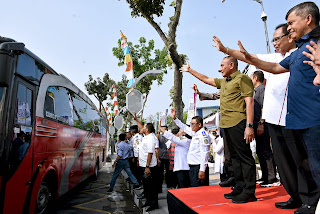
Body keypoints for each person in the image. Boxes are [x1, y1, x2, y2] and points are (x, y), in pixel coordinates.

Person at [213, 20, 319, 212]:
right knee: (283, 163)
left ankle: (309, 200)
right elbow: (250, 57)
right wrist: (225, 49)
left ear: (289, 37)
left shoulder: (307, 52)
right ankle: (294, 196)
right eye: (273, 40)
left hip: (295, 119)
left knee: (301, 162)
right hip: (272, 120)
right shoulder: (276, 58)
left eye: (278, 38)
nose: (275, 43)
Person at [180, 56, 256, 204]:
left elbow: (250, 102)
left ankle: (249, 191)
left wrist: (249, 125)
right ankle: (240, 187)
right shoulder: (224, 82)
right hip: (226, 125)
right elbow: (207, 79)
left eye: (222, 65)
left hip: (238, 122)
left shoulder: (242, 78)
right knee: (233, 158)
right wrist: (190, 70)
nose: (220, 69)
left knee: (244, 157)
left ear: (232, 65)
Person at [192, 84, 235, 187]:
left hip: (236, 120)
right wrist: (200, 93)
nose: (221, 69)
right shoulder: (225, 87)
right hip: (228, 121)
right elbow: (215, 95)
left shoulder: (238, 84)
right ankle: (232, 177)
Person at [171, 108, 211, 187]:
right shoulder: (195, 133)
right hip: (193, 167)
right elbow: (184, 127)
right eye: (191, 124)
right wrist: (175, 118)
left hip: (199, 167)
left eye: (193, 124)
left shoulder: (203, 135)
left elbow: (205, 153)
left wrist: (202, 170)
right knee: (194, 189)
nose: (191, 126)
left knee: (200, 190)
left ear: (199, 125)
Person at [250, 70, 277, 186]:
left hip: (262, 125)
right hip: (257, 125)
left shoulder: (261, 89)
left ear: (255, 78)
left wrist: (261, 123)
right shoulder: (256, 91)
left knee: (265, 151)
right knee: (260, 151)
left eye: (251, 78)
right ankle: (265, 176)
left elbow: (264, 107)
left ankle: (271, 177)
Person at [133, 113, 159, 212]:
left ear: (147, 129)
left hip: (150, 167)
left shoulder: (151, 138)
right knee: (147, 186)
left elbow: (150, 153)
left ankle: (154, 204)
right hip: (145, 166)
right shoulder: (146, 136)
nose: (141, 128)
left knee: (152, 187)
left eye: (144, 127)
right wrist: (136, 120)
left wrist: (147, 167)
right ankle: (148, 201)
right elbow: (141, 127)